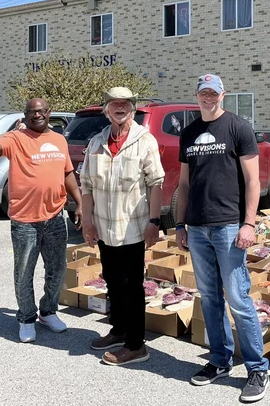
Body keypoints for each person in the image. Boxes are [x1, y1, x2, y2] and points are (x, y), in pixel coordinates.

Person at [176, 74, 269, 403]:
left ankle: (257, 368)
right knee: (210, 298)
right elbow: (184, 184)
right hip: (197, 228)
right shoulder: (188, 133)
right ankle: (219, 360)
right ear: (197, 95)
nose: (208, 98)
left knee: (238, 299)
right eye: (203, 93)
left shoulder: (238, 128)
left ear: (223, 95)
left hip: (230, 226)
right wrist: (179, 224)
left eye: (213, 93)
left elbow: (253, 181)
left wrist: (249, 223)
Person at [0, 97, 82, 343]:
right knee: (24, 271)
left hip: (55, 215)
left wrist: (79, 202)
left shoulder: (59, 140)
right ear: (25, 115)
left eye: (41, 111)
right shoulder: (16, 138)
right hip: (24, 219)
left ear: (49, 112)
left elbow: (67, 172)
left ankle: (48, 312)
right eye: (31, 112)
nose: (36, 115)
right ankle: (26, 318)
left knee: (57, 268)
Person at [80, 87, 165, 366]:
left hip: (133, 228)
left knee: (132, 286)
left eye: (125, 104)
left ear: (133, 108)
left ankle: (136, 344)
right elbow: (87, 186)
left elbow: (155, 184)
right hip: (105, 229)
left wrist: (154, 222)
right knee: (113, 282)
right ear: (106, 110)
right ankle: (118, 330)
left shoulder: (145, 141)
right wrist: (88, 222)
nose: (119, 108)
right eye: (114, 104)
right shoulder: (96, 143)